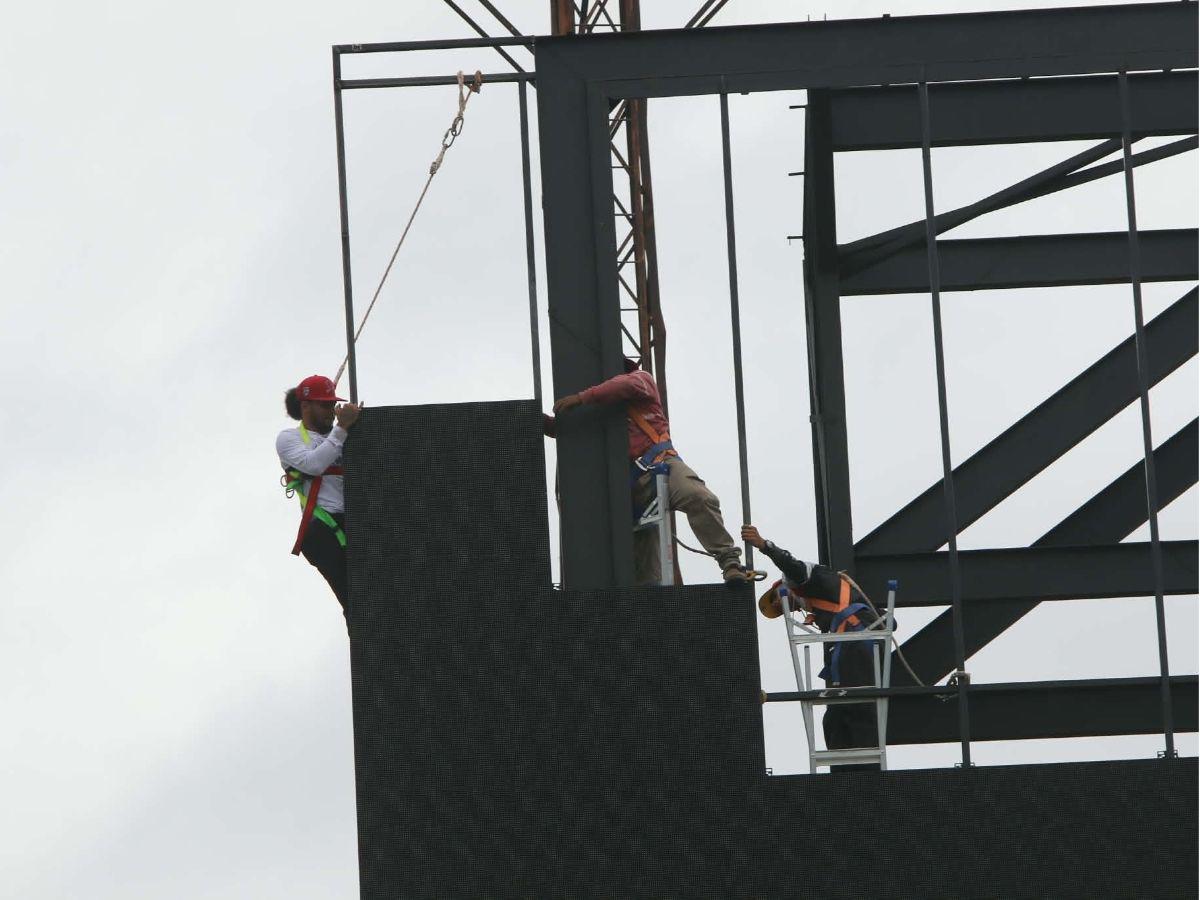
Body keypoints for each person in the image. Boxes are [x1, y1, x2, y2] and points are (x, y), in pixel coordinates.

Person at [548, 359, 749, 584]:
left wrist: (581, 398)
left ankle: (729, 561)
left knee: (697, 496)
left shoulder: (641, 380)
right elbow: (565, 432)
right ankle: (647, 611)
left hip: (661, 467)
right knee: (646, 575)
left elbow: (622, 386)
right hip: (628, 487)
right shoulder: (600, 408)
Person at [742, 524, 888, 771]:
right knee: (834, 718)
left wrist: (765, 546)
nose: (782, 604)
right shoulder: (818, 598)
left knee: (858, 708)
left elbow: (792, 564)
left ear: (779, 586)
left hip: (858, 642)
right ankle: (843, 773)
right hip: (851, 646)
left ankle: (866, 775)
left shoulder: (802, 577)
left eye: (778, 598)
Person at [277, 374, 361, 613]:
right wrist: (343, 428)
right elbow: (314, 464)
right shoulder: (289, 439)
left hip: (351, 521)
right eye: (324, 405)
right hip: (323, 528)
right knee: (355, 600)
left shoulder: (343, 436)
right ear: (305, 406)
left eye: (332, 405)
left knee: (374, 590)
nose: (331, 412)